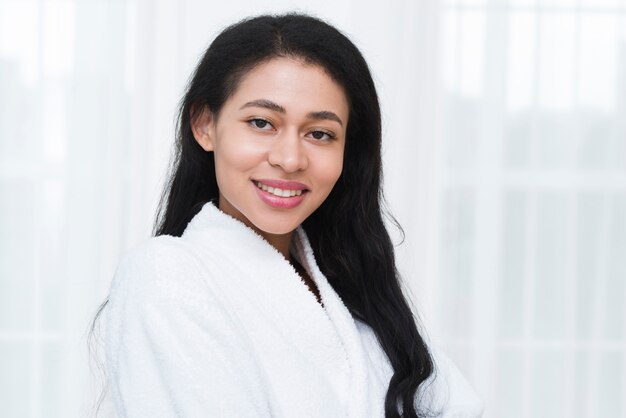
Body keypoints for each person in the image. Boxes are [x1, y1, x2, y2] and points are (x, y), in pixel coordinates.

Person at [99, 13, 483, 418]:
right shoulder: (166, 278)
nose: (289, 159)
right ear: (204, 124)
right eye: (262, 122)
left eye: (320, 133)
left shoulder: (355, 293)